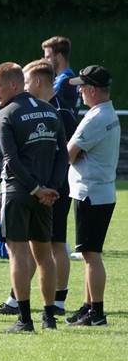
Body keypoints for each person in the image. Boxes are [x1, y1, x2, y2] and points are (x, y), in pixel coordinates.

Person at [0, 59, 80, 316]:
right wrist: (50, 187)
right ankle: (49, 316)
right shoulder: (50, 110)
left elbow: (11, 159)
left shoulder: (6, 114)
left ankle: (24, 318)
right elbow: (63, 155)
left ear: (14, 84)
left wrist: (35, 189)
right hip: (47, 195)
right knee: (44, 255)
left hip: (19, 192)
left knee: (18, 253)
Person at [65, 65, 119, 327]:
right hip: (99, 191)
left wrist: (77, 154)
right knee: (88, 253)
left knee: (90, 254)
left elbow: (69, 153)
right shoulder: (107, 112)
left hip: (91, 193)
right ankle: (88, 307)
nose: (79, 92)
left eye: (82, 87)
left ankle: (97, 312)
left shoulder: (95, 117)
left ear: (93, 90)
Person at [42, 36, 78, 110]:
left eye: (48, 57)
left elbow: (47, 106)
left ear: (59, 56)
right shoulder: (71, 78)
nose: (45, 61)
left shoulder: (64, 81)